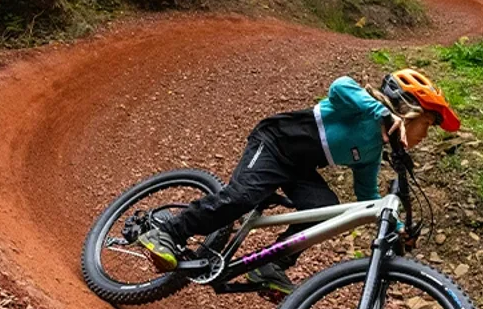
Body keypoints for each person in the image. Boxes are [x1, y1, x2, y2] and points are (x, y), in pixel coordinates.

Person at [138, 69, 460, 294]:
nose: (425, 135)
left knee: (328, 210)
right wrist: (383, 112)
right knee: (242, 196)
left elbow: (367, 196)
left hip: (298, 169)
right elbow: (340, 86)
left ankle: (271, 264)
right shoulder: (363, 108)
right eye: (428, 125)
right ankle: (167, 230)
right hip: (274, 143)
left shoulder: (373, 152)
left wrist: (395, 227)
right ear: (410, 112)